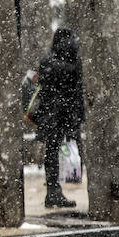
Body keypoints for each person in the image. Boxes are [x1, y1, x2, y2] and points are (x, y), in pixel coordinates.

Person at [34, 28, 85, 208]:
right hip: (61, 115)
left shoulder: (48, 62)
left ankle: (53, 190)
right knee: (58, 151)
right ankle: (55, 190)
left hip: (51, 115)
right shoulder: (72, 64)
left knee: (53, 153)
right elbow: (76, 92)